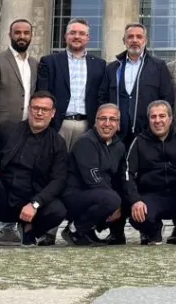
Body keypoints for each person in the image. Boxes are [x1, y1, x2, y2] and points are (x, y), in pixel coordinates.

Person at [0, 91, 69, 246]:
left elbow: (58, 180)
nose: (39, 113)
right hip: (4, 197)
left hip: (32, 202)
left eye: (45, 109)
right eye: (35, 108)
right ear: (29, 109)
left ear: (53, 113)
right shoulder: (6, 130)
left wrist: (35, 203)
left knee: (58, 210)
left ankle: (29, 230)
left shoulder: (58, 143)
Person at [124, 100, 176, 245]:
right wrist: (135, 200)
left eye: (162, 116)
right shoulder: (139, 142)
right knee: (136, 214)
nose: (158, 121)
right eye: (153, 117)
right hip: (153, 196)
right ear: (149, 119)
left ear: (170, 119)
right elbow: (127, 173)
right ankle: (153, 230)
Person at [60, 104, 126, 246]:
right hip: (75, 195)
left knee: (127, 198)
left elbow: (120, 178)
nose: (107, 123)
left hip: (99, 195)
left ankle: (93, 231)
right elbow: (92, 178)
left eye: (112, 119)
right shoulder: (85, 142)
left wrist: (125, 202)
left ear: (118, 124)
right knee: (112, 200)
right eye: (102, 118)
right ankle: (74, 229)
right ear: (95, 122)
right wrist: (116, 203)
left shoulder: (119, 146)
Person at [37, 17, 108, 149]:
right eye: (73, 33)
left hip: (87, 126)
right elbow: (43, 93)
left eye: (82, 33)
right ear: (65, 36)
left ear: (88, 38)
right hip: (58, 124)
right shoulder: (49, 62)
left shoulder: (100, 65)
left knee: (81, 161)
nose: (77, 36)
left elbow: (101, 97)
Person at [101, 23, 174, 146]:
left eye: (139, 37)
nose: (134, 40)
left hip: (148, 134)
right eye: (130, 37)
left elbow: (167, 99)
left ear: (145, 41)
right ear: (124, 41)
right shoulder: (112, 68)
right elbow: (102, 98)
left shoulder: (159, 67)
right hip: (116, 134)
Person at [0, 19, 41, 134]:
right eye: (17, 33)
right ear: (10, 35)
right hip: (2, 128)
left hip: (28, 129)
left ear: (31, 36)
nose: (22, 36)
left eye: (26, 33)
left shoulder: (34, 64)